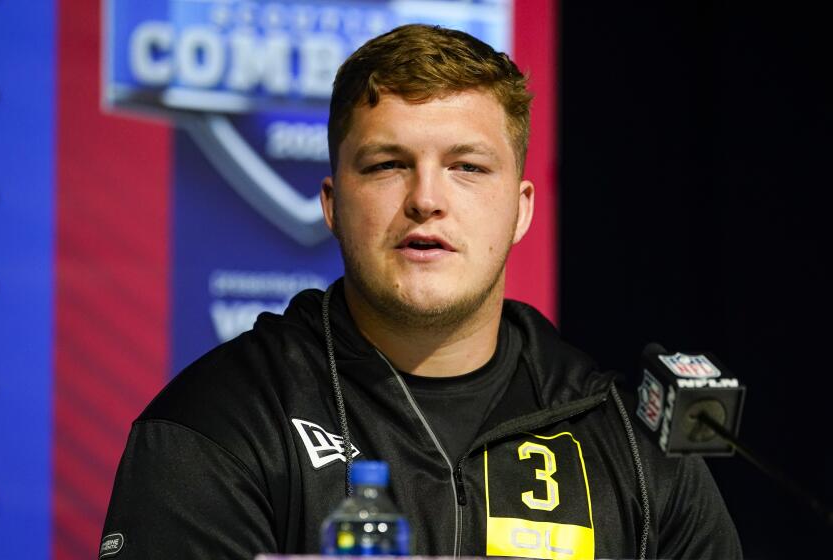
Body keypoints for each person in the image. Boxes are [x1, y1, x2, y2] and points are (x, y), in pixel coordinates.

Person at [101, 24, 741, 559]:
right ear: (331, 204)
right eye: (386, 165)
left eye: (467, 167)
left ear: (520, 210)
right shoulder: (221, 424)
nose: (426, 200)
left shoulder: (629, 446)